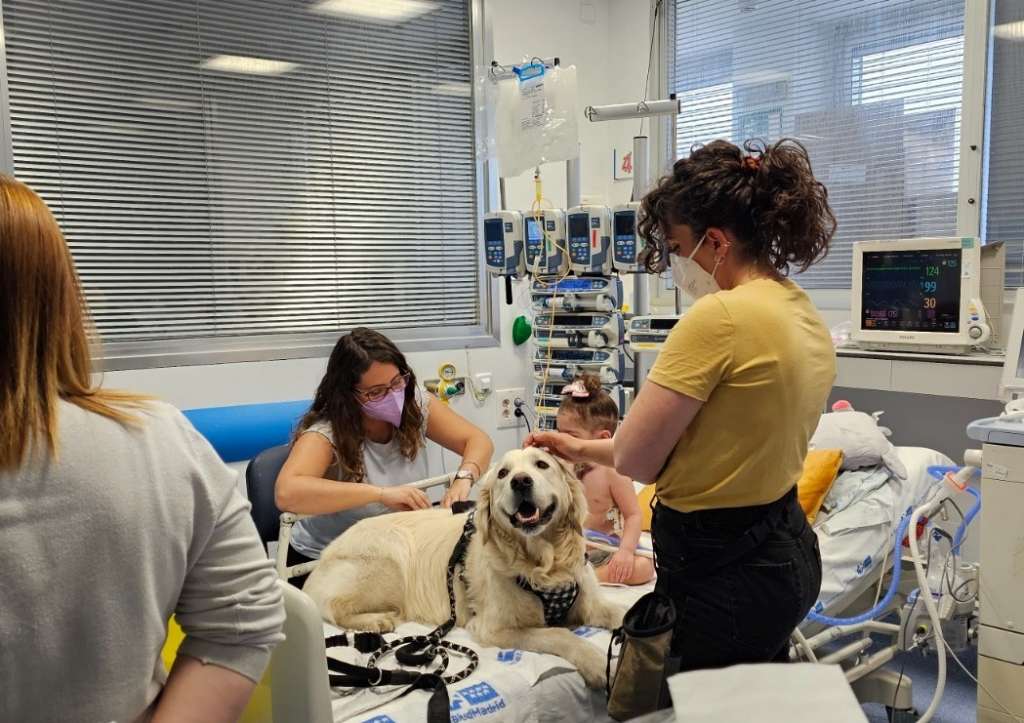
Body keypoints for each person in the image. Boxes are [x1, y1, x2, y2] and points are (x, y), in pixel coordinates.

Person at [527, 138, 837, 675]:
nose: (673, 261)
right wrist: (579, 446)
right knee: (755, 701)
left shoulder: (720, 317)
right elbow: (725, 441)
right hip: (783, 550)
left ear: (715, 241)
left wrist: (601, 450)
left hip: (723, 571)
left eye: (675, 245)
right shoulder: (798, 307)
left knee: (694, 704)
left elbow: (639, 461)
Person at [0, 175, 285, 723]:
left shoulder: (161, 439)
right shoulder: (159, 441)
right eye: (374, 390)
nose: (388, 398)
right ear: (61, 298)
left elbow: (245, 613)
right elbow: (244, 620)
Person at [275, 327, 494, 585]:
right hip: (327, 563)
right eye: (376, 392)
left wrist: (464, 478)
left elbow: (478, 441)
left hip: (392, 549)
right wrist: (381, 494)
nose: (392, 396)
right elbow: (286, 493)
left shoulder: (416, 405)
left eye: (396, 383)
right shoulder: (326, 433)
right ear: (348, 396)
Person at [556, 374, 654, 586]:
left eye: (570, 436)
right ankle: (569, 580)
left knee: (644, 568)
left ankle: (578, 582)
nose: (561, 442)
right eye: (558, 433)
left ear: (603, 439)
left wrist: (626, 552)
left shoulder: (613, 472)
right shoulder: (560, 467)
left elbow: (633, 515)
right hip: (565, 552)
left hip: (602, 553)